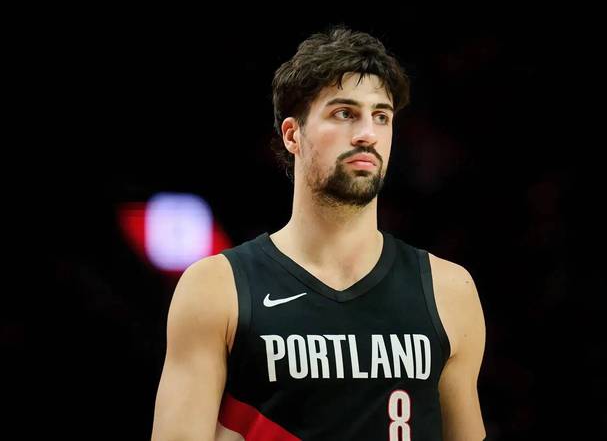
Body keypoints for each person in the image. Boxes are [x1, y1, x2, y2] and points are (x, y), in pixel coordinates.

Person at [151, 26, 486, 441]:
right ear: (293, 134)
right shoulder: (216, 288)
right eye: (344, 113)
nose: (367, 133)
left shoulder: (449, 290)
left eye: (381, 116)